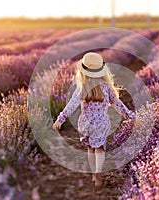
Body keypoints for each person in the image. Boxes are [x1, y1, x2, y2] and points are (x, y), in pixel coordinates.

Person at [53, 52, 135, 190]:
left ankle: (93, 173)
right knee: (100, 149)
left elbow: (71, 104)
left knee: (90, 149)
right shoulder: (106, 87)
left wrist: (60, 119)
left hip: (85, 124)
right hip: (101, 123)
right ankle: (98, 172)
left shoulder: (82, 87)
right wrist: (130, 116)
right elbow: (117, 103)